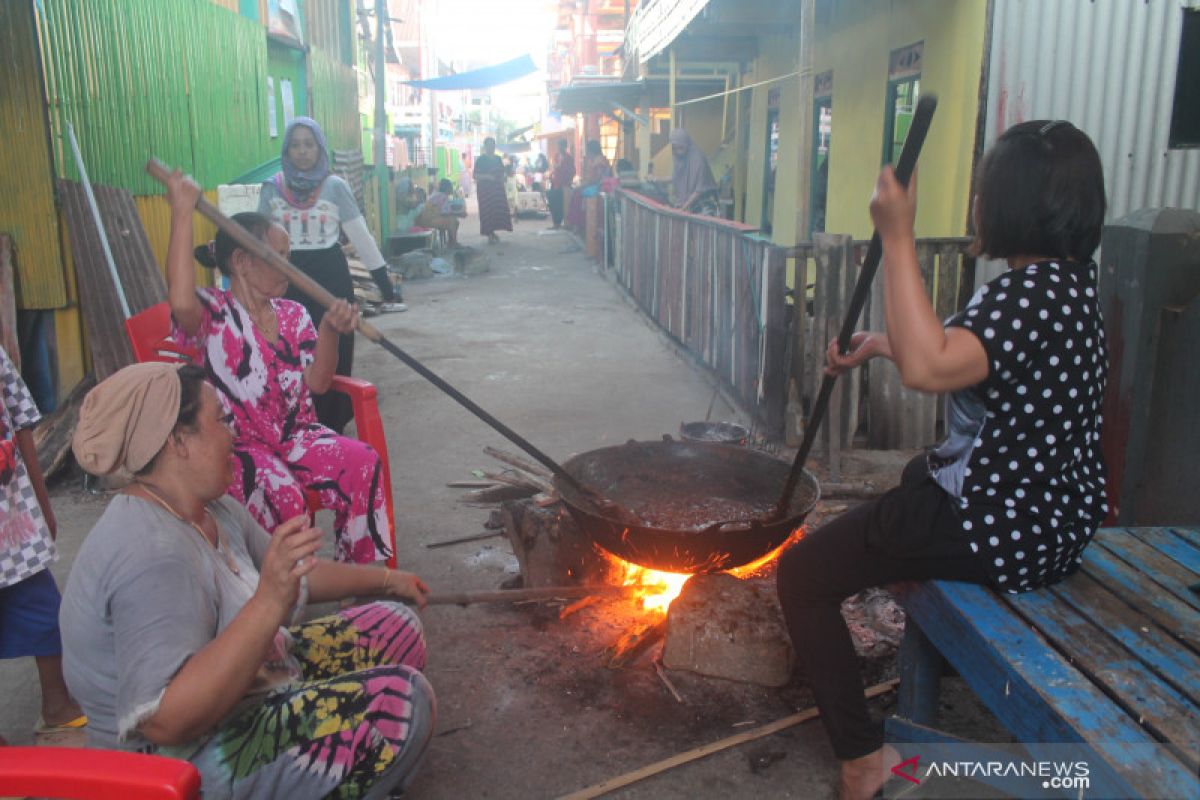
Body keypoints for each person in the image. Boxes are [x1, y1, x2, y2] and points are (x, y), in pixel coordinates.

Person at [775, 120, 1109, 800]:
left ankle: (864, 758)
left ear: (1007, 205)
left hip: (1005, 527)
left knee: (803, 572)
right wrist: (877, 342)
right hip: (1059, 517)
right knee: (909, 480)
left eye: (984, 192)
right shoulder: (1067, 287)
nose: (977, 206)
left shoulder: (1025, 295)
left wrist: (899, 234)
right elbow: (964, 358)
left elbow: (933, 366)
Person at [61, 361, 434, 798]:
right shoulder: (150, 554)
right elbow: (164, 720)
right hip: (175, 763)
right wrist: (268, 604)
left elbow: (297, 575)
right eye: (220, 420)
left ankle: (308, 739)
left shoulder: (211, 508)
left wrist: (387, 581)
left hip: (232, 697)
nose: (233, 433)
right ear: (179, 441)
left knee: (397, 626)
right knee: (402, 705)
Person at [166, 171, 393, 565]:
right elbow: (181, 302)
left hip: (298, 437)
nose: (290, 269)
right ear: (241, 262)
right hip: (240, 449)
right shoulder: (213, 314)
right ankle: (283, 597)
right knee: (282, 494)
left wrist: (329, 330)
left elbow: (319, 384)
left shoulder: (294, 314)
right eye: (279, 258)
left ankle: (361, 581)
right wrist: (182, 212)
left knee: (362, 463)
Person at [259, 117, 403, 434]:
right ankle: (292, 419)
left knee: (333, 346)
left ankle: (330, 422)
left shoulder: (335, 187)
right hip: (286, 281)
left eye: (308, 144)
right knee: (288, 350)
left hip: (331, 278)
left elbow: (360, 235)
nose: (302, 151)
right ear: (286, 149)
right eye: (295, 145)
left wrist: (383, 282)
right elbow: (257, 240)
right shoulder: (272, 188)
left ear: (319, 147)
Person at [0, 344, 86, 746]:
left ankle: (57, 705)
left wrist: (42, 501)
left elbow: (23, 424)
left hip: (11, 531)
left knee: (48, 615)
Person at [669, 129, 719, 216]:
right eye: (675, 148)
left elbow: (699, 190)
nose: (678, 151)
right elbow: (676, 177)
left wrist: (683, 208)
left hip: (706, 205)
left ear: (687, 144)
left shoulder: (698, 159)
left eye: (681, 147)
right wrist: (656, 179)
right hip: (691, 205)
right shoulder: (681, 158)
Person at [565, 140, 611, 233]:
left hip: (600, 187)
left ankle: (579, 225)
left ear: (592, 150)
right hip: (595, 185)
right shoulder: (595, 160)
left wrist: (584, 185)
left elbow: (597, 179)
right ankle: (577, 224)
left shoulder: (599, 161)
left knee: (578, 194)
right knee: (576, 192)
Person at [473, 137, 513, 244]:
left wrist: (504, 176)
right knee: (487, 211)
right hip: (485, 191)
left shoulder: (498, 159)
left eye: (493, 145)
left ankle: (493, 232)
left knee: (497, 210)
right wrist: (487, 176)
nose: (491, 147)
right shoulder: (481, 159)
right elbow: (475, 175)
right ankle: (489, 233)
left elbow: (501, 172)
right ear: (485, 146)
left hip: (497, 189)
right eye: (489, 145)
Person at [415, 179, 460, 247]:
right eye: (450, 187)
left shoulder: (435, 194)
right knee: (454, 221)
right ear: (447, 188)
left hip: (423, 220)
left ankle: (451, 242)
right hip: (431, 220)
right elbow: (446, 212)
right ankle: (453, 242)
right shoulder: (443, 197)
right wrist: (459, 213)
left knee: (452, 220)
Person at [547, 138, 575, 229]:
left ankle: (565, 223)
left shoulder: (569, 158)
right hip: (555, 183)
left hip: (565, 185)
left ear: (565, 147)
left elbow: (572, 171)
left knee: (563, 204)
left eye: (561, 146)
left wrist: (568, 178)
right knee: (553, 203)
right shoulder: (556, 156)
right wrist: (551, 175)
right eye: (559, 146)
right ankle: (556, 223)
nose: (559, 148)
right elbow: (553, 168)